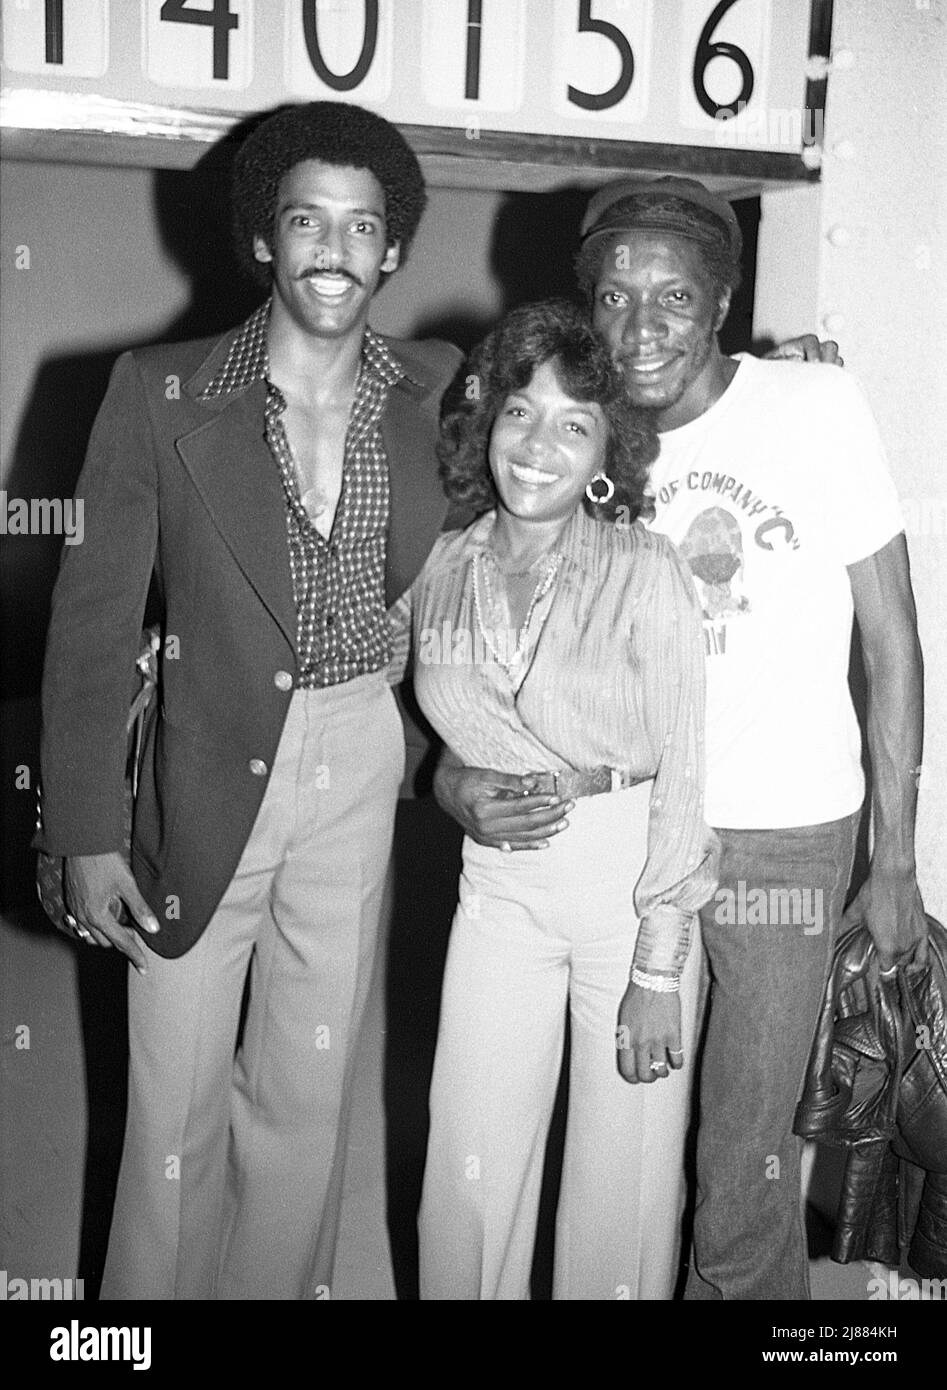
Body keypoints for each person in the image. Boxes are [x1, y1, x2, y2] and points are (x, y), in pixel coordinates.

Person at [438, 176, 928, 1301]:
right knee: (629, 1147)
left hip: (780, 842)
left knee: (741, 1161)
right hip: (624, 834)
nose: (641, 322)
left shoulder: (812, 406)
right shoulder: (577, 435)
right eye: (613, 295)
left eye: (672, 294)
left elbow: (894, 647)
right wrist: (457, 769)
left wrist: (893, 857)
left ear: (719, 305)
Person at [35, 101, 462, 1300]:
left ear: (393, 249)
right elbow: (91, 623)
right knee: (171, 1097)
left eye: (362, 226)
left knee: (307, 1093)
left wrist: (767, 376)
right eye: (307, 222)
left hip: (358, 754)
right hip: (200, 761)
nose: (335, 248)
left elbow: (572, 421)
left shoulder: (436, 391)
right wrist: (82, 830)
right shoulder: (160, 391)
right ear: (264, 242)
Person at [388, 299, 718, 1300]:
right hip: (497, 894)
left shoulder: (645, 571)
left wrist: (658, 964)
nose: (538, 446)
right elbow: (389, 705)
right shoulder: (438, 566)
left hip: (630, 898)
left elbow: (687, 771)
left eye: (573, 424)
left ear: (603, 449)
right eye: (519, 413)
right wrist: (443, 779)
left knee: (615, 1200)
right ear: (483, 424)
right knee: (468, 1168)